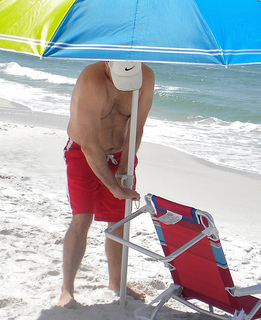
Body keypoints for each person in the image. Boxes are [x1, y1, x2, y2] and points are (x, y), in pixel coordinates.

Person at [58, 61, 155, 308]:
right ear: (108, 64)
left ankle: (116, 282)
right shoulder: (91, 79)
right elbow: (90, 144)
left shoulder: (145, 77)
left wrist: (123, 168)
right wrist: (114, 186)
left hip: (122, 152)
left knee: (120, 220)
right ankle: (67, 289)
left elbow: (137, 127)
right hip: (84, 151)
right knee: (82, 218)